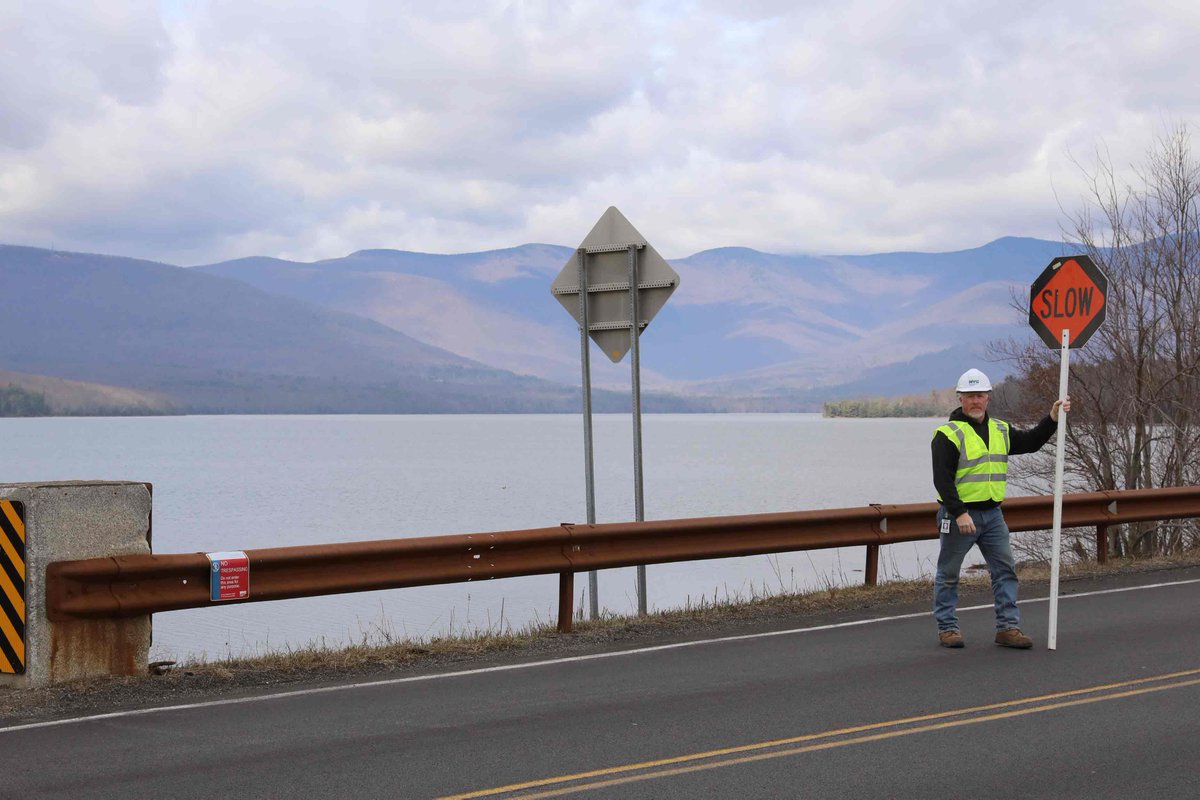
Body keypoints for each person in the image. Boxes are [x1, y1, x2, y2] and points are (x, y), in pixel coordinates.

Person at [932, 368, 1069, 649]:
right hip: (960, 517)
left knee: (1005, 570)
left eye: (980, 395)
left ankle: (1008, 628)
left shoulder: (1000, 429)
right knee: (949, 573)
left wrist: (1052, 418)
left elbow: (1030, 442)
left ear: (988, 398)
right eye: (969, 396)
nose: (975, 401)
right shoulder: (947, 434)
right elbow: (942, 480)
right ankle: (947, 629)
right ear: (960, 398)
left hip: (993, 515)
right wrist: (959, 513)